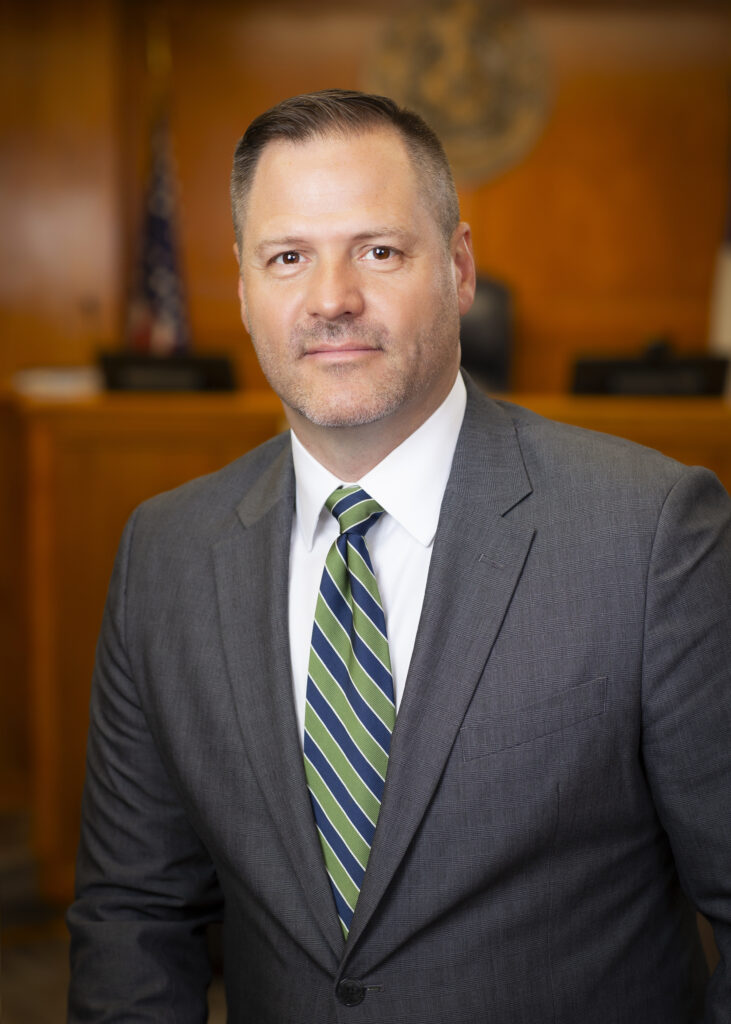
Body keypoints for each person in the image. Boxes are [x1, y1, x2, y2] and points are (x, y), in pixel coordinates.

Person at [67, 90, 731, 1023]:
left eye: (378, 251)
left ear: (458, 267)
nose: (332, 299)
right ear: (245, 286)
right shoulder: (166, 552)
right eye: (288, 257)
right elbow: (135, 915)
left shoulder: (651, 532)